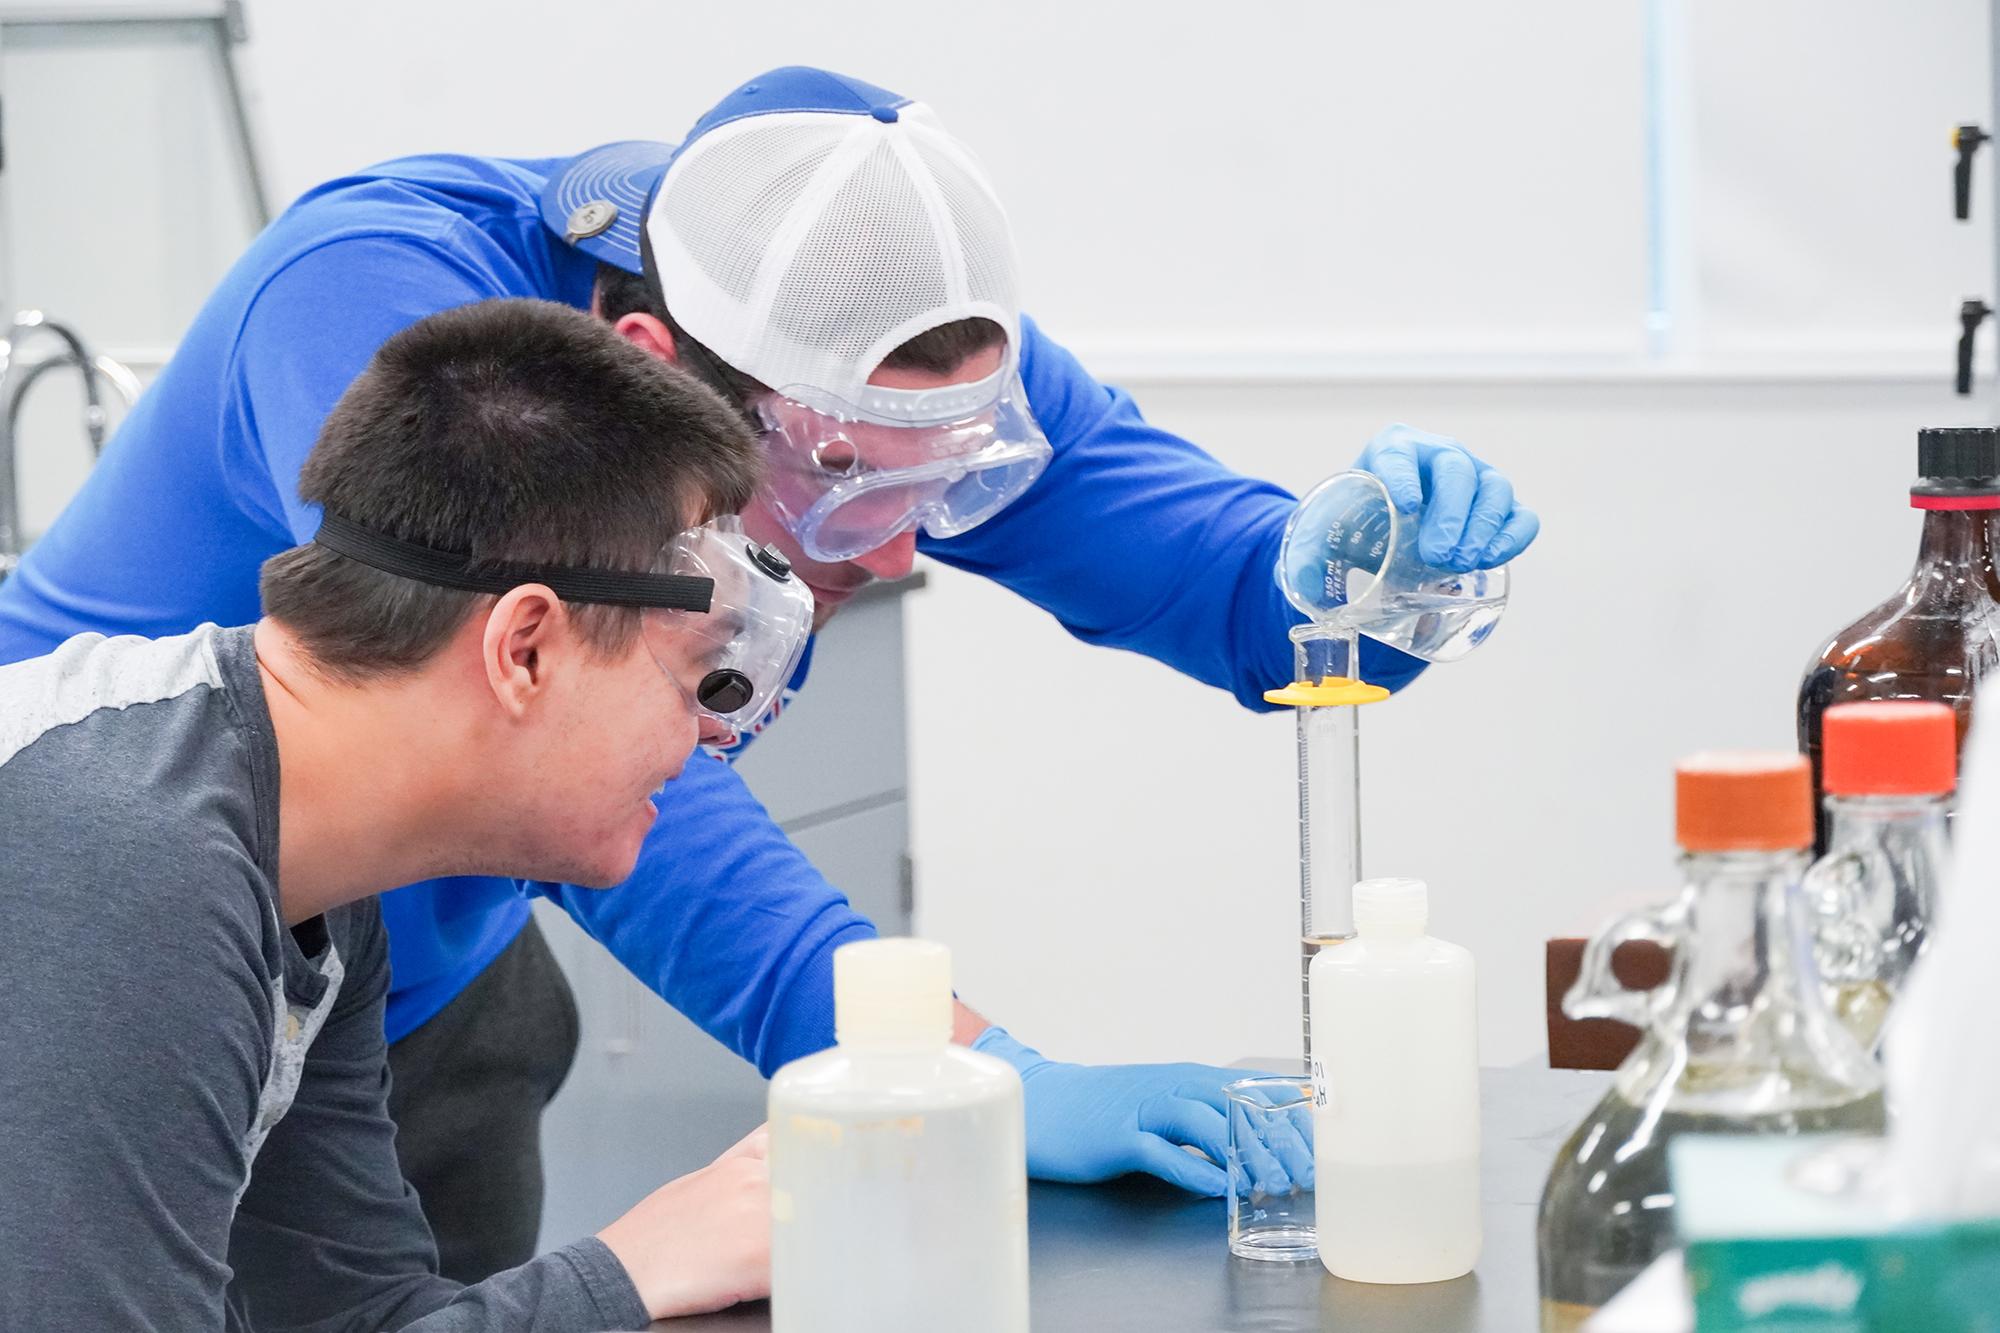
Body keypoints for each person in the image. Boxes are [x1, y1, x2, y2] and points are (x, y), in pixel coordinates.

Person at [0, 66, 1540, 1279]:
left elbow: (1235, 600)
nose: (883, 550)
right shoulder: (394, 305)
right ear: (666, 370)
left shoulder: (894, 341)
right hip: (113, 946)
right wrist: (938, 1066)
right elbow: (574, 751)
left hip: (402, 988)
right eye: (851, 485)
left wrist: (1360, 576)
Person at [0, 297, 810, 1329]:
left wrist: (631, 1273)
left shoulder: (311, 875)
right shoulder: (123, 857)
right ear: (524, 649)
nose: (709, 734)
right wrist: (627, 1267)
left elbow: (348, 1313)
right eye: (697, 673)